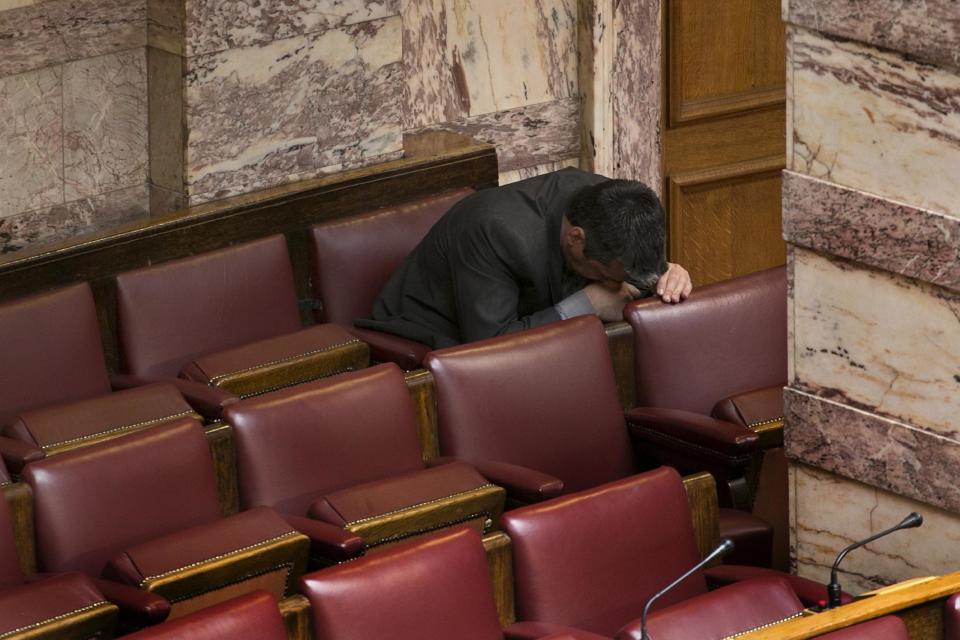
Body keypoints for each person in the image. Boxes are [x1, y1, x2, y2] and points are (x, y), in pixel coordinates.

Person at [356, 167, 692, 349]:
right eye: (609, 275)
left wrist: (666, 277)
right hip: (425, 341)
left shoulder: (614, 203)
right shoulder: (494, 230)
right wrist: (587, 303)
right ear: (576, 239)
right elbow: (489, 346)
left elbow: (633, 271)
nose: (617, 286)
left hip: (533, 341)